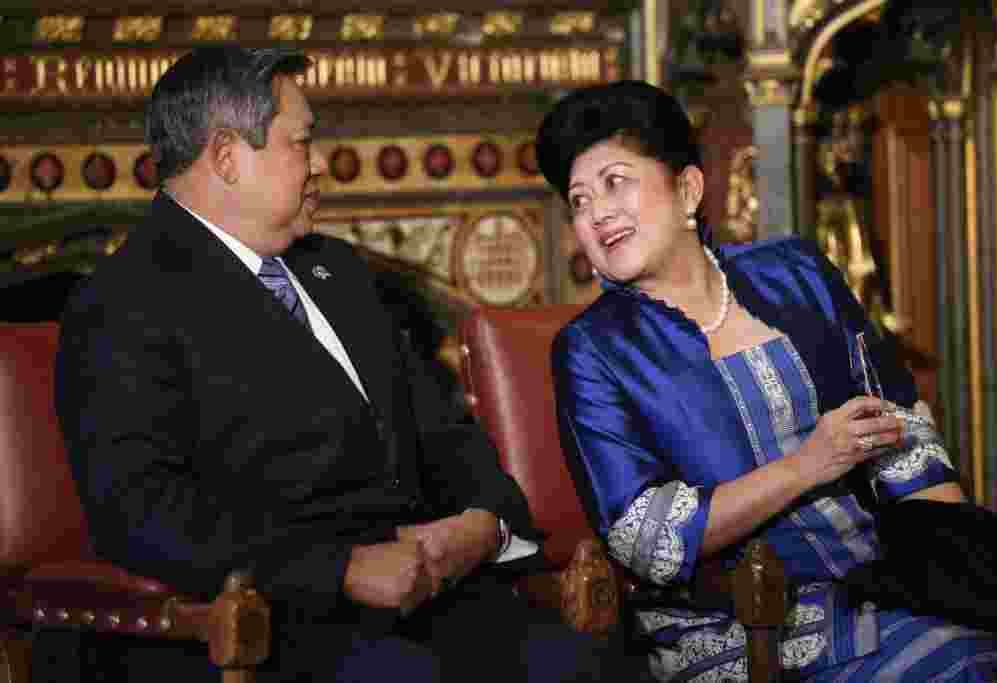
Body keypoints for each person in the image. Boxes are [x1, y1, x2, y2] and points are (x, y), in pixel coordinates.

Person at [55, 46, 648, 682]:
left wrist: (484, 524)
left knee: (596, 663)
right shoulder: (124, 300)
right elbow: (142, 514)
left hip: (436, 602)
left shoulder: (337, 274)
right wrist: (342, 571)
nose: (320, 167)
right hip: (275, 622)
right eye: (301, 143)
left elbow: (446, 433)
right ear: (226, 156)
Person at [537, 80, 997, 681]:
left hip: (893, 589)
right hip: (739, 627)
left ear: (687, 188)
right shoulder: (592, 351)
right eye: (579, 200)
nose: (597, 213)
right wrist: (806, 465)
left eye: (615, 182)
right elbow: (646, 538)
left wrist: (971, 564)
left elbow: (903, 430)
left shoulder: (796, 272)